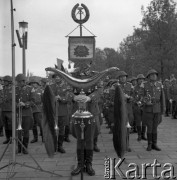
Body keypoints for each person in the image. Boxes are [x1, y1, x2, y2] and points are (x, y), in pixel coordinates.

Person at [142, 69, 165, 151]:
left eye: (155, 74)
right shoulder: (144, 85)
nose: (154, 76)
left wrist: (163, 108)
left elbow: (162, 97)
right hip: (148, 109)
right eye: (151, 75)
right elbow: (140, 97)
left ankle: (154, 144)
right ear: (148, 77)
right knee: (150, 127)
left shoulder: (159, 84)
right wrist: (145, 102)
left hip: (157, 109)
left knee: (155, 127)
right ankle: (149, 144)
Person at [16, 74, 34, 154]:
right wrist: (17, 104)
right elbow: (12, 100)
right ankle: (19, 148)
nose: (18, 83)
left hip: (27, 113)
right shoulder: (15, 89)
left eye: (20, 82)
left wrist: (25, 104)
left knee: (26, 131)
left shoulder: (30, 89)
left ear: (24, 81)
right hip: (18, 113)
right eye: (18, 82)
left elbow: (33, 101)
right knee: (18, 132)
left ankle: (25, 148)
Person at [118, 71, 133, 152]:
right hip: (120, 110)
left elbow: (135, 96)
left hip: (128, 110)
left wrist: (130, 98)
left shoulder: (130, 86)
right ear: (119, 78)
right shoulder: (115, 86)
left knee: (127, 128)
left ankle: (127, 145)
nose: (123, 78)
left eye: (124, 77)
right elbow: (112, 97)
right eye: (121, 77)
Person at [29, 78, 43, 143]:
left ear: (37, 84)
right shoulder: (30, 91)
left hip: (38, 109)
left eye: (35, 83)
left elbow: (44, 100)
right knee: (33, 124)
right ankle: (35, 138)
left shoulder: (41, 91)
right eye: (32, 83)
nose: (33, 84)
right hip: (31, 109)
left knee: (40, 124)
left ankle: (43, 137)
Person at [133, 74, 147, 141]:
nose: (141, 80)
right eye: (140, 79)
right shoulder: (134, 88)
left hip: (144, 106)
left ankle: (143, 134)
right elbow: (132, 97)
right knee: (138, 121)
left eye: (142, 79)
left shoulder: (146, 87)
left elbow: (147, 96)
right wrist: (136, 102)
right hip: (137, 106)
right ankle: (139, 135)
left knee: (144, 121)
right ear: (137, 80)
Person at [1, 76, 12, 144]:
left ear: (9, 82)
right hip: (3, 109)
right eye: (3, 81)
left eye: (5, 81)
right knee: (5, 124)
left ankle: (11, 138)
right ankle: (8, 138)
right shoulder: (2, 89)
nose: (4, 82)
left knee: (10, 124)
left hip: (10, 109)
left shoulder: (13, 89)